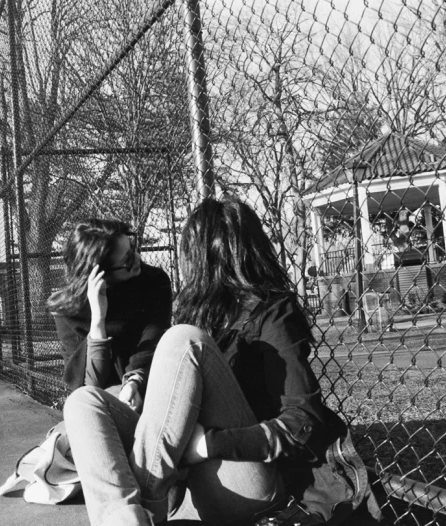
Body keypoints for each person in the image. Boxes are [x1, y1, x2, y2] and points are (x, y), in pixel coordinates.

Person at [63, 197, 380, 525]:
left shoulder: (273, 314)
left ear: (205, 257)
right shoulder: (198, 312)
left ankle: (149, 500)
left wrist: (209, 445)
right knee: (82, 403)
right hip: (189, 483)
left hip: (244, 479)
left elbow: (302, 422)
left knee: (181, 340)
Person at [47, 218, 172, 411]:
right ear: (99, 274)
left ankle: (57, 439)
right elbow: (88, 385)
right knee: (83, 405)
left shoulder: (153, 282)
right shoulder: (68, 310)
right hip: (97, 401)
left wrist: (134, 383)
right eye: (128, 260)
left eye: (133, 249)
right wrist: (98, 319)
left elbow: (151, 343)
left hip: (148, 384)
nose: (138, 258)